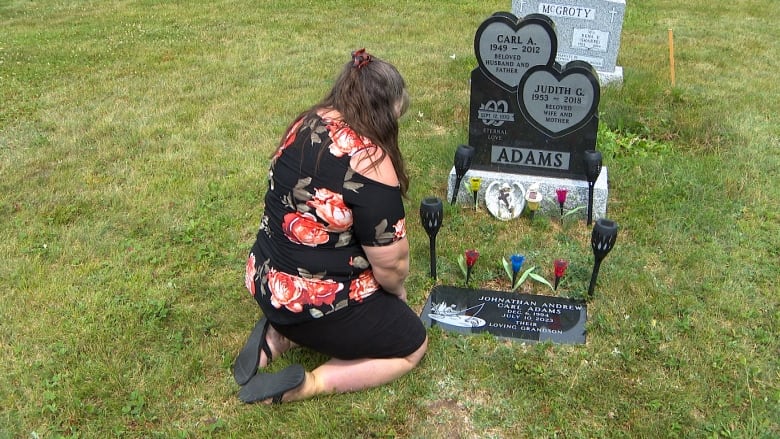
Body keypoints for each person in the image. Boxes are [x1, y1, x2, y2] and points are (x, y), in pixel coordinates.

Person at [233, 49, 428, 404]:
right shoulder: (370, 160)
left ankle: (277, 334)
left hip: (264, 278)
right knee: (412, 343)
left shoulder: (306, 122)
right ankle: (310, 384)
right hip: (315, 306)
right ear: (384, 112)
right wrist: (396, 296)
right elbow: (391, 265)